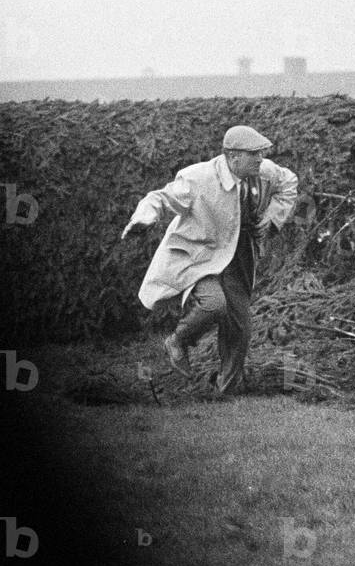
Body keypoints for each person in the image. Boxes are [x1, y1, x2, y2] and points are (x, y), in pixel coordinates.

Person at [122, 125, 298, 394]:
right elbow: (160, 198)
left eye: (262, 153)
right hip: (199, 257)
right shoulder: (199, 178)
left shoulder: (264, 172)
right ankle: (178, 341)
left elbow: (289, 183)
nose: (261, 159)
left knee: (240, 328)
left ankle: (225, 392)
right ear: (233, 157)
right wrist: (144, 218)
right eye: (254, 154)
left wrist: (272, 217)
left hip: (238, 257)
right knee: (215, 304)